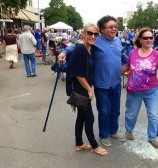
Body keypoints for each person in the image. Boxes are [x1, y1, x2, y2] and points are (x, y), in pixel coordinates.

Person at [58, 15, 127, 147]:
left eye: (115, 27)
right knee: (104, 111)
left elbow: (122, 55)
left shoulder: (118, 41)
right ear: (102, 29)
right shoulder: (95, 40)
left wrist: (132, 61)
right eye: (110, 27)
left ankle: (113, 131)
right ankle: (104, 134)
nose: (114, 29)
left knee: (115, 110)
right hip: (102, 84)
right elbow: (77, 46)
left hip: (116, 83)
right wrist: (64, 52)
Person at [68, 24, 108, 156]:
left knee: (81, 117)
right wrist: (89, 90)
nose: (93, 36)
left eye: (96, 34)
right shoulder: (80, 49)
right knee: (89, 118)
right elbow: (78, 74)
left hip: (83, 89)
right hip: (81, 90)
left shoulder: (88, 48)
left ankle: (79, 143)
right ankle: (95, 146)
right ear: (83, 34)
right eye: (90, 33)